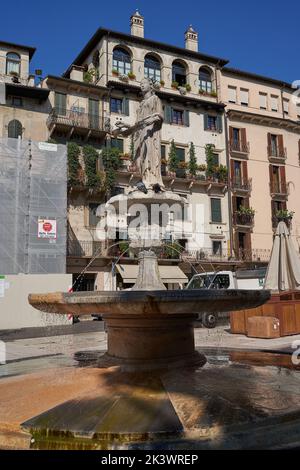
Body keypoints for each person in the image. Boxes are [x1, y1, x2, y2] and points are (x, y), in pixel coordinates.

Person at [112, 78, 164, 188]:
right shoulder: (141, 104)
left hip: (151, 133)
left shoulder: (155, 99)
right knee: (141, 159)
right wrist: (125, 125)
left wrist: (153, 119)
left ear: (150, 85)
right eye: (140, 84)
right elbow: (137, 124)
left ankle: (152, 179)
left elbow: (160, 115)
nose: (141, 86)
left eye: (143, 83)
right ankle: (145, 178)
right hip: (140, 133)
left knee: (150, 156)